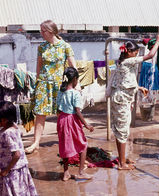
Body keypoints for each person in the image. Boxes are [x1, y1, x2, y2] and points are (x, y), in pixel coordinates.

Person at [111, 34, 159, 170]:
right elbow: (151, 55)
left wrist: (138, 87)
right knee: (122, 130)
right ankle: (122, 164)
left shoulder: (122, 61)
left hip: (120, 97)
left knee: (120, 129)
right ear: (129, 53)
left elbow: (125, 80)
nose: (137, 55)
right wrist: (158, 41)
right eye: (135, 53)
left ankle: (122, 158)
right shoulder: (128, 61)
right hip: (122, 100)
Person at [26, 20, 77, 154]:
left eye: (44, 31)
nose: (41, 33)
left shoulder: (65, 46)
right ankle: (36, 143)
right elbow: (39, 66)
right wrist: (37, 83)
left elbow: (73, 66)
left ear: (51, 31)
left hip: (59, 84)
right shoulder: (42, 47)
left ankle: (64, 142)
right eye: (41, 30)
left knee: (62, 114)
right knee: (40, 114)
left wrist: (77, 85)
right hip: (43, 83)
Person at [56, 67, 94, 181]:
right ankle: (81, 172)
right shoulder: (75, 94)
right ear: (75, 79)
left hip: (61, 120)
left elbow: (57, 110)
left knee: (64, 146)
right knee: (83, 145)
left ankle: (66, 173)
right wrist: (86, 125)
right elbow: (77, 111)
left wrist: (62, 119)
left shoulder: (60, 92)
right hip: (72, 120)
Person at [0, 101, 38, 195]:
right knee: (22, 190)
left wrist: (6, 170)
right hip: (21, 167)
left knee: (14, 191)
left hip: (12, 170)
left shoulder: (7, 133)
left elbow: (17, 154)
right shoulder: (15, 127)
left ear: (4, 120)